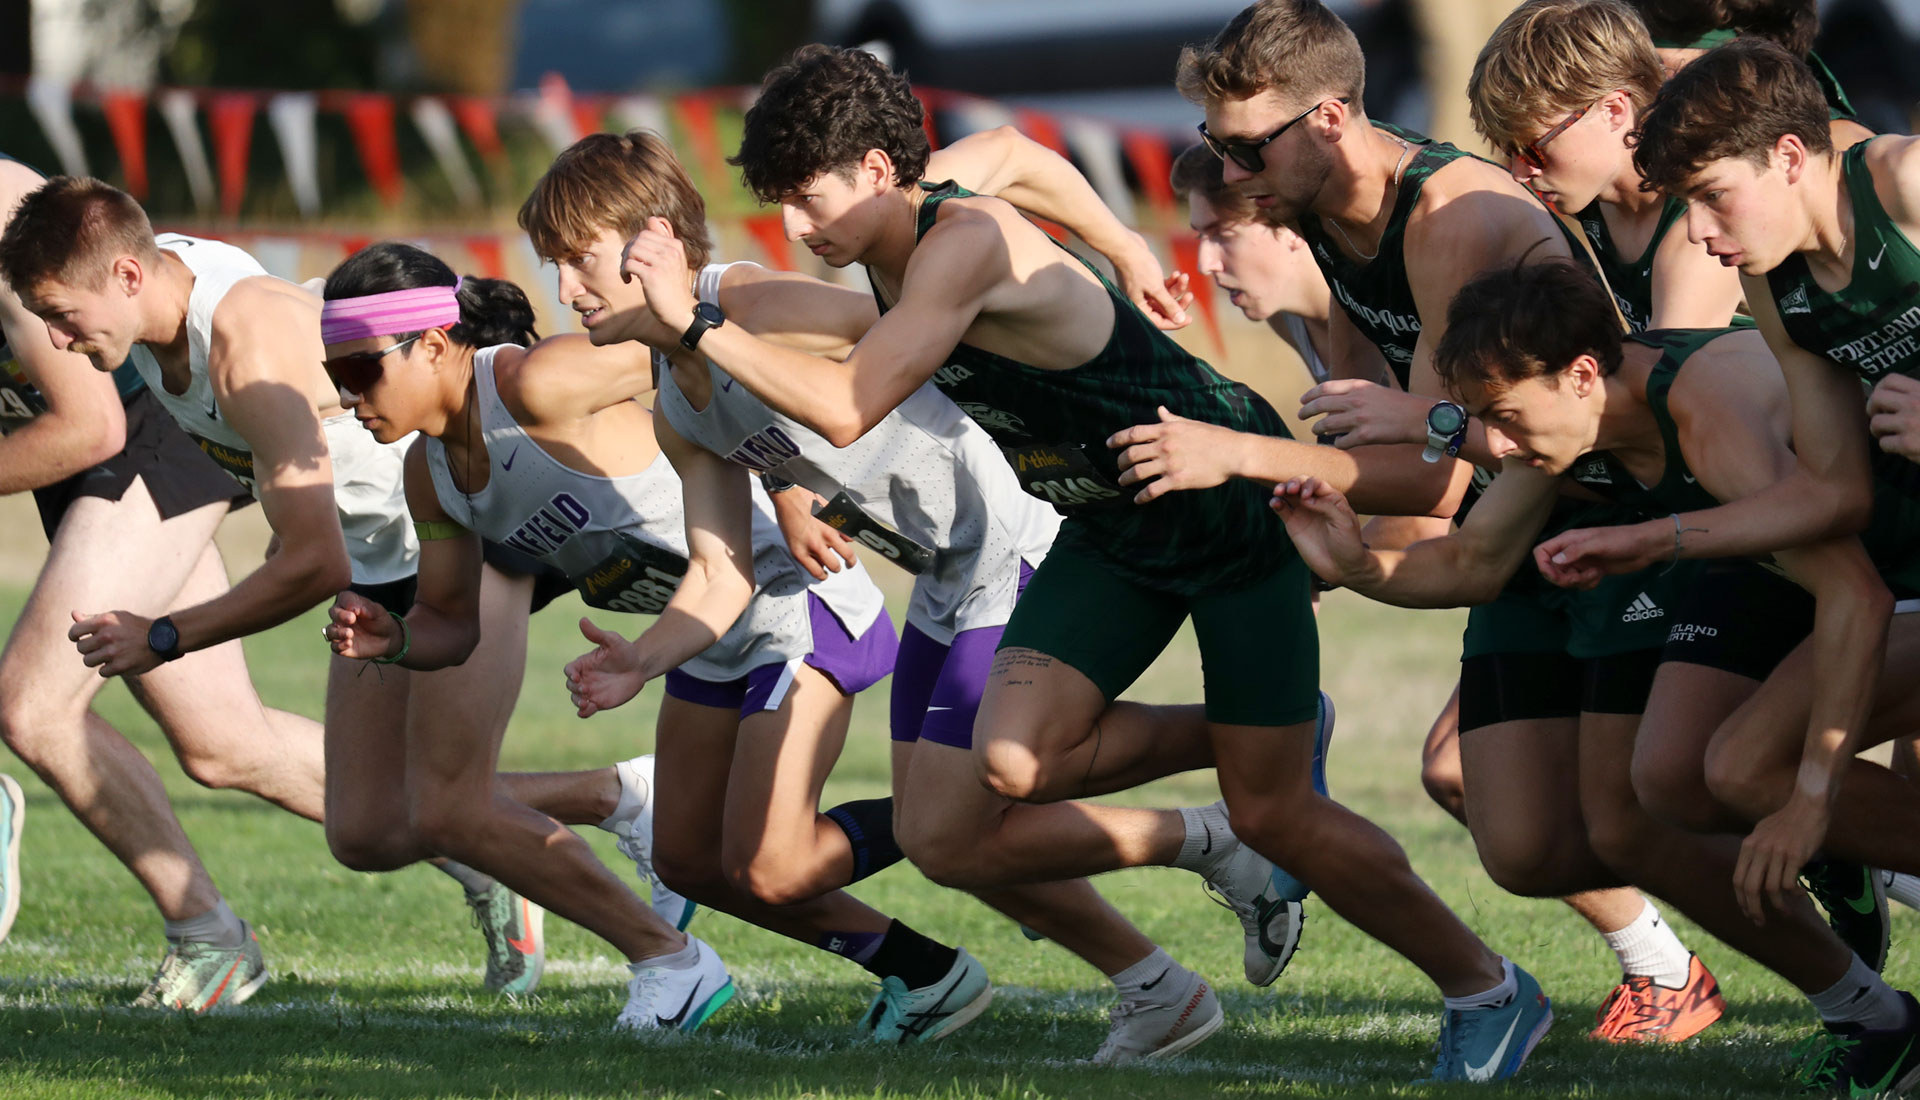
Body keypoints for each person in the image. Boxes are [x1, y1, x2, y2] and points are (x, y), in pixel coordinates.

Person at [621, 42, 1551, 1081]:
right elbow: (1016, 148)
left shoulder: (962, 240)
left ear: (878, 170)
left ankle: (1486, 987)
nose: (796, 229)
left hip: (1225, 503)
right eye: (782, 204)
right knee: (1014, 766)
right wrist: (1123, 246)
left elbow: (846, 405)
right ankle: (1248, 784)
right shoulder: (910, 207)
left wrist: (694, 321)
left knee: (1276, 810)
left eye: (808, 199)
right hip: (1110, 524)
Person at [520, 127, 1317, 1058]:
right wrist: (643, 659)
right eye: (551, 267)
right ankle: (1164, 979)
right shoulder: (675, 404)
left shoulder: (743, 301)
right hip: (945, 575)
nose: (564, 291)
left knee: (952, 823)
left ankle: (1246, 776)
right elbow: (720, 572)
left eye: (578, 261)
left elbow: (896, 330)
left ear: (653, 242)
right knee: (947, 838)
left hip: (1015, 534)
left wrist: (1118, 253)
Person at [0, 178, 678, 1017]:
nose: (55, 342)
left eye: (62, 316)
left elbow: (313, 563)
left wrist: (166, 635)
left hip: (462, 524)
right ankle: (617, 797)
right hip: (384, 564)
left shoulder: (237, 345)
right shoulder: (146, 317)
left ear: (128, 276)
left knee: (452, 806)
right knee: (368, 831)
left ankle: (671, 959)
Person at [318, 240, 1021, 1041]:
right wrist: (397, 640)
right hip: (702, 639)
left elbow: (700, 350)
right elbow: (452, 623)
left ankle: (966, 817)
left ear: (434, 344)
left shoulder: (534, 384)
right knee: (691, 864)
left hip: (794, 598)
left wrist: (784, 478)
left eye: (361, 370)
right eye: (336, 375)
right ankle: (927, 971)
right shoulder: (429, 474)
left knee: (769, 861)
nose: (347, 396)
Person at [1274, 254, 1920, 1092]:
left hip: (1892, 576)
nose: (1497, 445)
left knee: (1743, 769)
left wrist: (1810, 801)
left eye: (1505, 417)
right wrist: (1358, 566)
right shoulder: (1563, 432)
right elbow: (1474, 560)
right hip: (1820, 577)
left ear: (1582, 374)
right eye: (1483, 420)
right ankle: (1874, 1015)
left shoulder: (1704, 408)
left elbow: (1856, 596)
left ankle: (1864, 959)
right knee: (1666, 784)